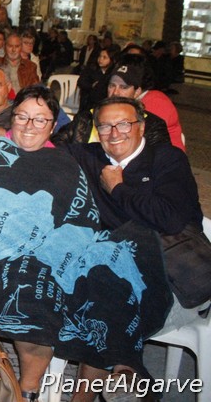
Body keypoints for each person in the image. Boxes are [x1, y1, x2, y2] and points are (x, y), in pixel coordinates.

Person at [0, 87, 171, 402]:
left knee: (38, 292)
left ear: (52, 125)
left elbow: (77, 218)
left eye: (40, 119)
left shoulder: (64, 161)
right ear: (12, 118)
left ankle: (29, 391)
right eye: (22, 117)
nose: (29, 126)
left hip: (39, 255)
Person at [59, 97, 203, 400]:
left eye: (124, 124)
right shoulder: (89, 156)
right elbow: (35, 147)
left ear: (142, 126)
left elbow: (170, 219)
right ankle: (126, 371)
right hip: (115, 278)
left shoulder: (167, 159)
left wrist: (118, 188)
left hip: (175, 279)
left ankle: (124, 371)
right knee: (100, 291)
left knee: (101, 301)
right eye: (105, 126)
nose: (114, 133)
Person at [106, 55, 185, 151]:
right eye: (112, 85)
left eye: (124, 87)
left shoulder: (156, 103)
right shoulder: (128, 103)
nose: (115, 92)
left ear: (137, 90)